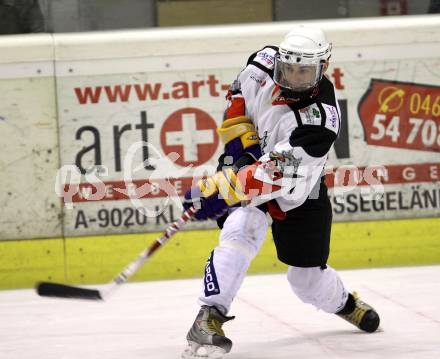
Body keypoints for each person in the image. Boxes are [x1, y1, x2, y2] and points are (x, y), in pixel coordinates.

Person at [182, 25, 380, 359]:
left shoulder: (320, 122)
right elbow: (237, 104)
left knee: (306, 281)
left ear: (323, 67)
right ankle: (209, 316)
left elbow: (272, 175)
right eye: (290, 68)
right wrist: (240, 152)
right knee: (240, 230)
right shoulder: (261, 63)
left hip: (299, 191)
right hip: (249, 167)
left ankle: (345, 302)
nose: (296, 77)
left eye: (306, 71)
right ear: (281, 61)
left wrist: (220, 190)